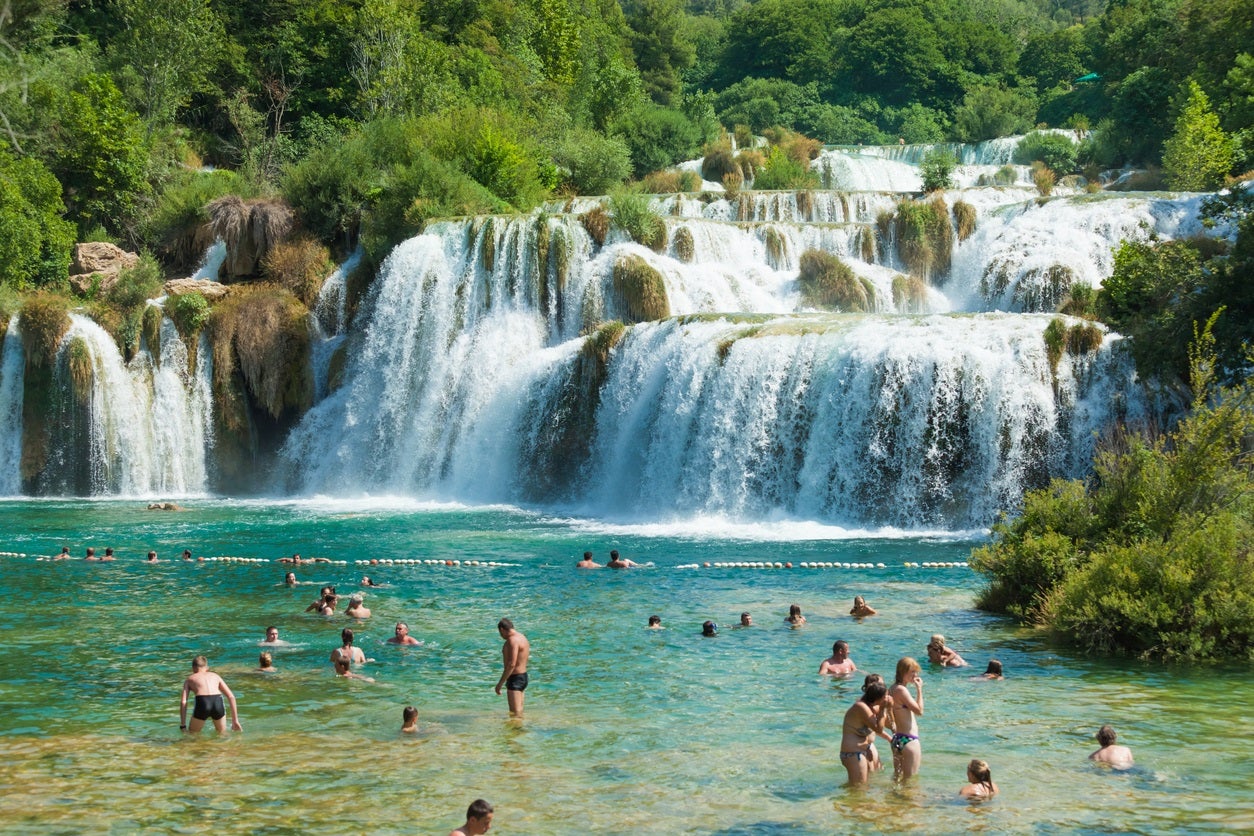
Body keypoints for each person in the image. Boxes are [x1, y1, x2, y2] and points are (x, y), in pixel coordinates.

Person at [840, 680, 891, 785]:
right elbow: (878, 729)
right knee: (858, 789)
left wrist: (889, 708)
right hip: (853, 753)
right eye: (885, 696)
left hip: (862, 751)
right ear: (878, 698)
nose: (887, 698)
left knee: (864, 787)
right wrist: (882, 709)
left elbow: (889, 725)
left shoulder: (871, 707)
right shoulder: (861, 707)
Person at [179, 656, 241, 734]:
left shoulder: (190, 679)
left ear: (193, 668)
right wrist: (235, 720)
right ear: (207, 668)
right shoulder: (216, 676)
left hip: (202, 702)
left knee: (193, 735)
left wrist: (183, 725)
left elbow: (183, 702)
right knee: (222, 734)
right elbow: (231, 696)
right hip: (217, 700)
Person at [889, 657, 925, 780]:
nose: (915, 675)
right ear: (902, 672)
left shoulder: (892, 688)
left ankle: (894, 799)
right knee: (910, 781)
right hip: (909, 740)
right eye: (912, 672)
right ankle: (907, 800)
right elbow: (919, 711)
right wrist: (919, 689)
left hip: (897, 739)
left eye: (916, 672)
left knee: (897, 779)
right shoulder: (901, 690)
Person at [494, 618, 530, 717]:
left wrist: (500, 684)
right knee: (519, 712)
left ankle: (516, 731)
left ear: (502, 629)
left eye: (500, 633)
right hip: (523, 676)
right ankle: (521, 731)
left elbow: (511, 664)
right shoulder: (522, 637)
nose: (501, 636)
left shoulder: (512, 640)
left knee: (515, 714)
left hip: (515, 679)